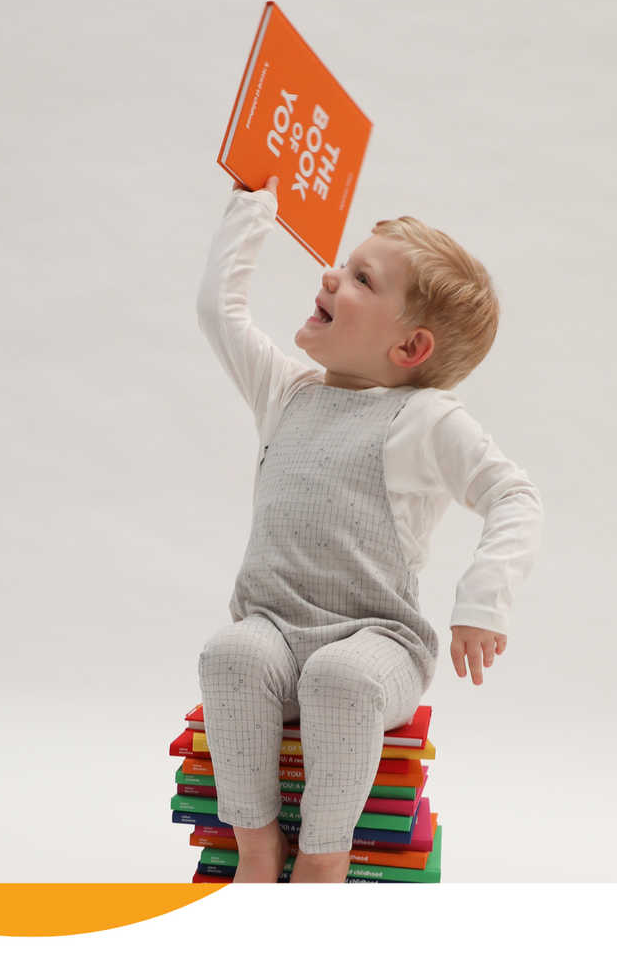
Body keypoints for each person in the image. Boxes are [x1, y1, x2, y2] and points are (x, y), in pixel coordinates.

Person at [197, 175, 542, 882]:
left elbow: (513, 495)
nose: (330, 274)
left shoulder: (427, 419)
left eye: (360, 277)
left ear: (410, 347)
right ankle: (257, 849)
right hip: (272, 628)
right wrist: (254, 204)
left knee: (341, 679)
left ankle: (325, 856)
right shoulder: (287, 391)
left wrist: (482, 602)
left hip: (375, 641)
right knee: (229, 653)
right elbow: (219, 312)